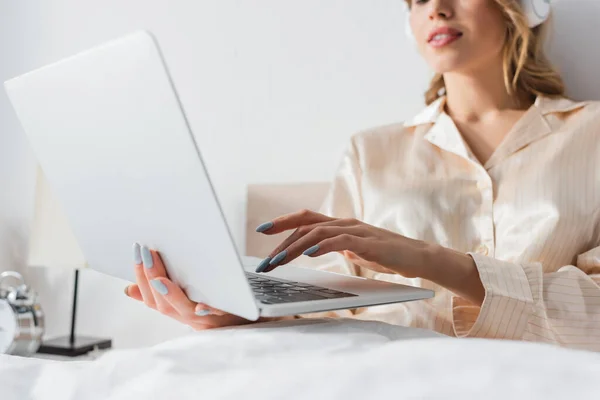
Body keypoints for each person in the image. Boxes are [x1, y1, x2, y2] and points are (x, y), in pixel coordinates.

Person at [124, 0, 600, 351]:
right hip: (377, 373)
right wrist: (244, 316)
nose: (436, 8)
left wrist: (432, 261)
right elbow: (333, 301)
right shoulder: (370, 150)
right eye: (416, 1)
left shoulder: (591, 133)